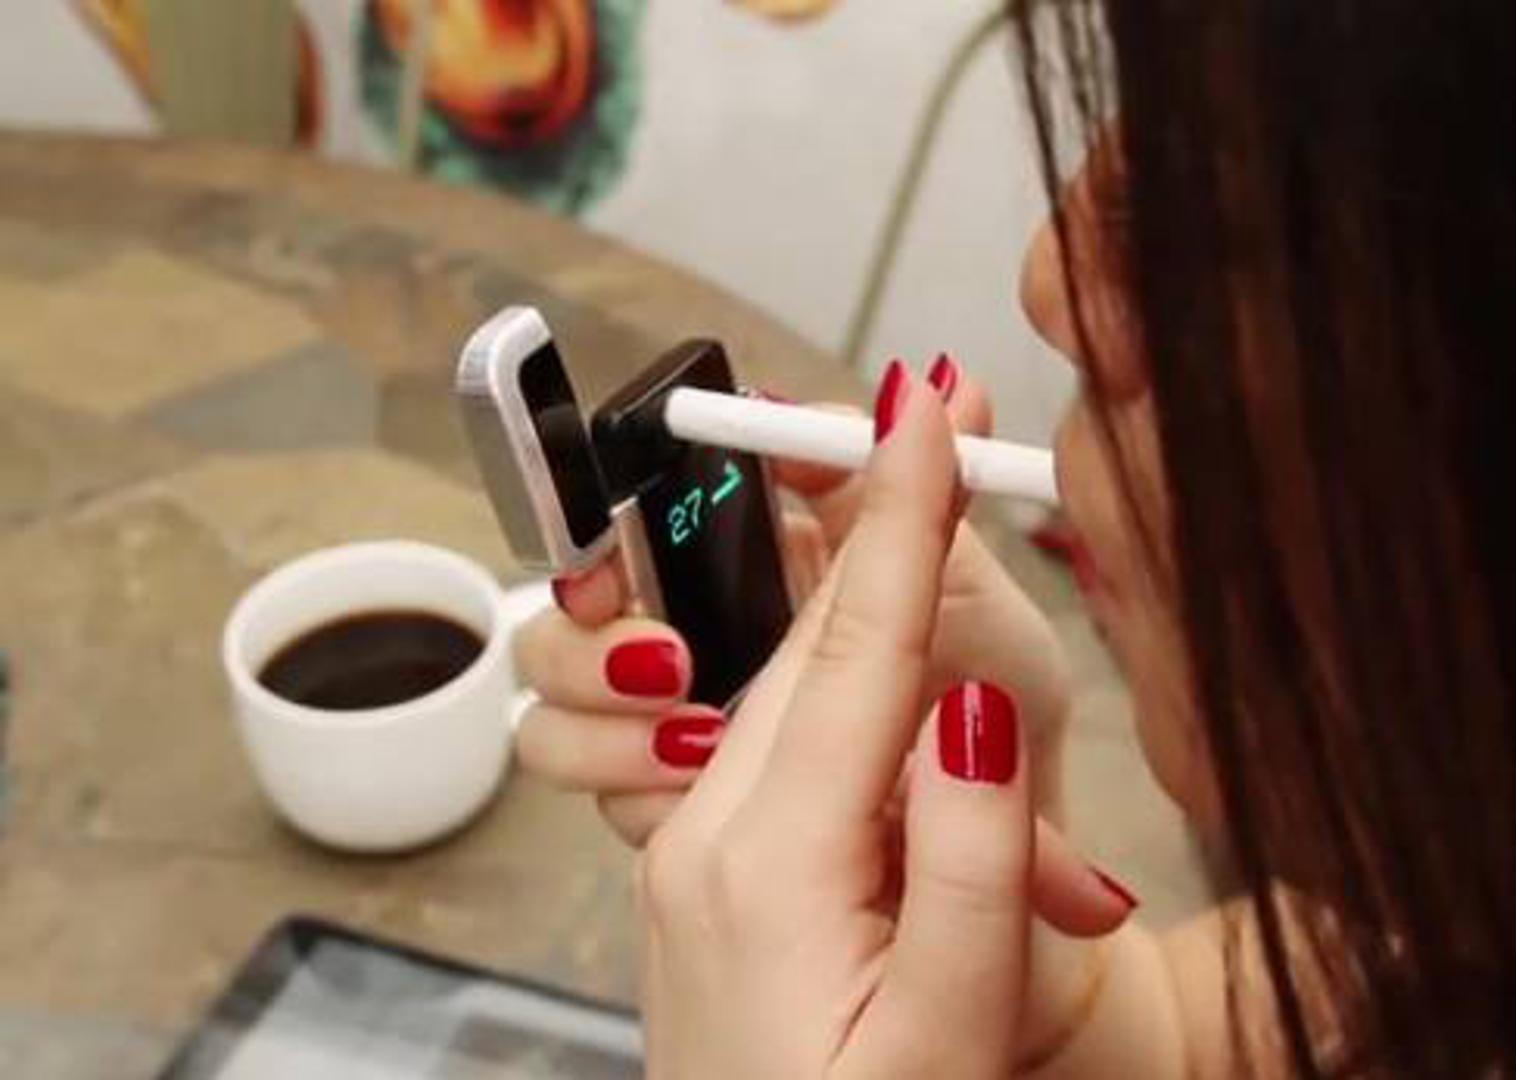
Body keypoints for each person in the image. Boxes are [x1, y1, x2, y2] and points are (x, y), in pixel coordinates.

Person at [507, 0, 1515, 1074]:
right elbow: (1248, 1028)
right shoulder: (1433, 933)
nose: (1056, 276)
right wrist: (1087, 1014)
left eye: (1219, 210)